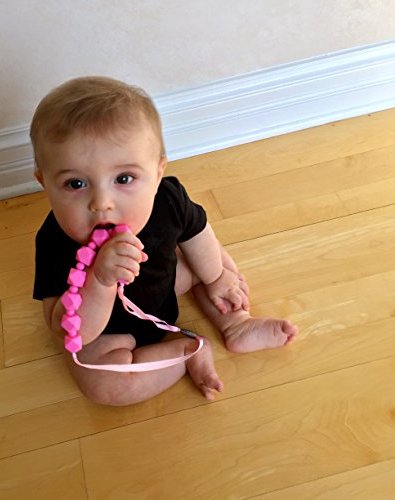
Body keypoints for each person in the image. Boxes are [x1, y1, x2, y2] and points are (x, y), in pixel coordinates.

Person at [31, 76, 298, 406]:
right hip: (110, 333)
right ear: (45, 183)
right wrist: (99, 280)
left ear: (157, 174)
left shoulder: (167, 199)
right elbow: (66, 330)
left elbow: (197, 232)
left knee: (208, 259)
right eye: (75, 184)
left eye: (123, 178)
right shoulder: (53, 240)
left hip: (166, 285)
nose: (102, 203)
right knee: (105, 387)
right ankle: (186, 352)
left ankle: (237, 324)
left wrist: (217, 277)